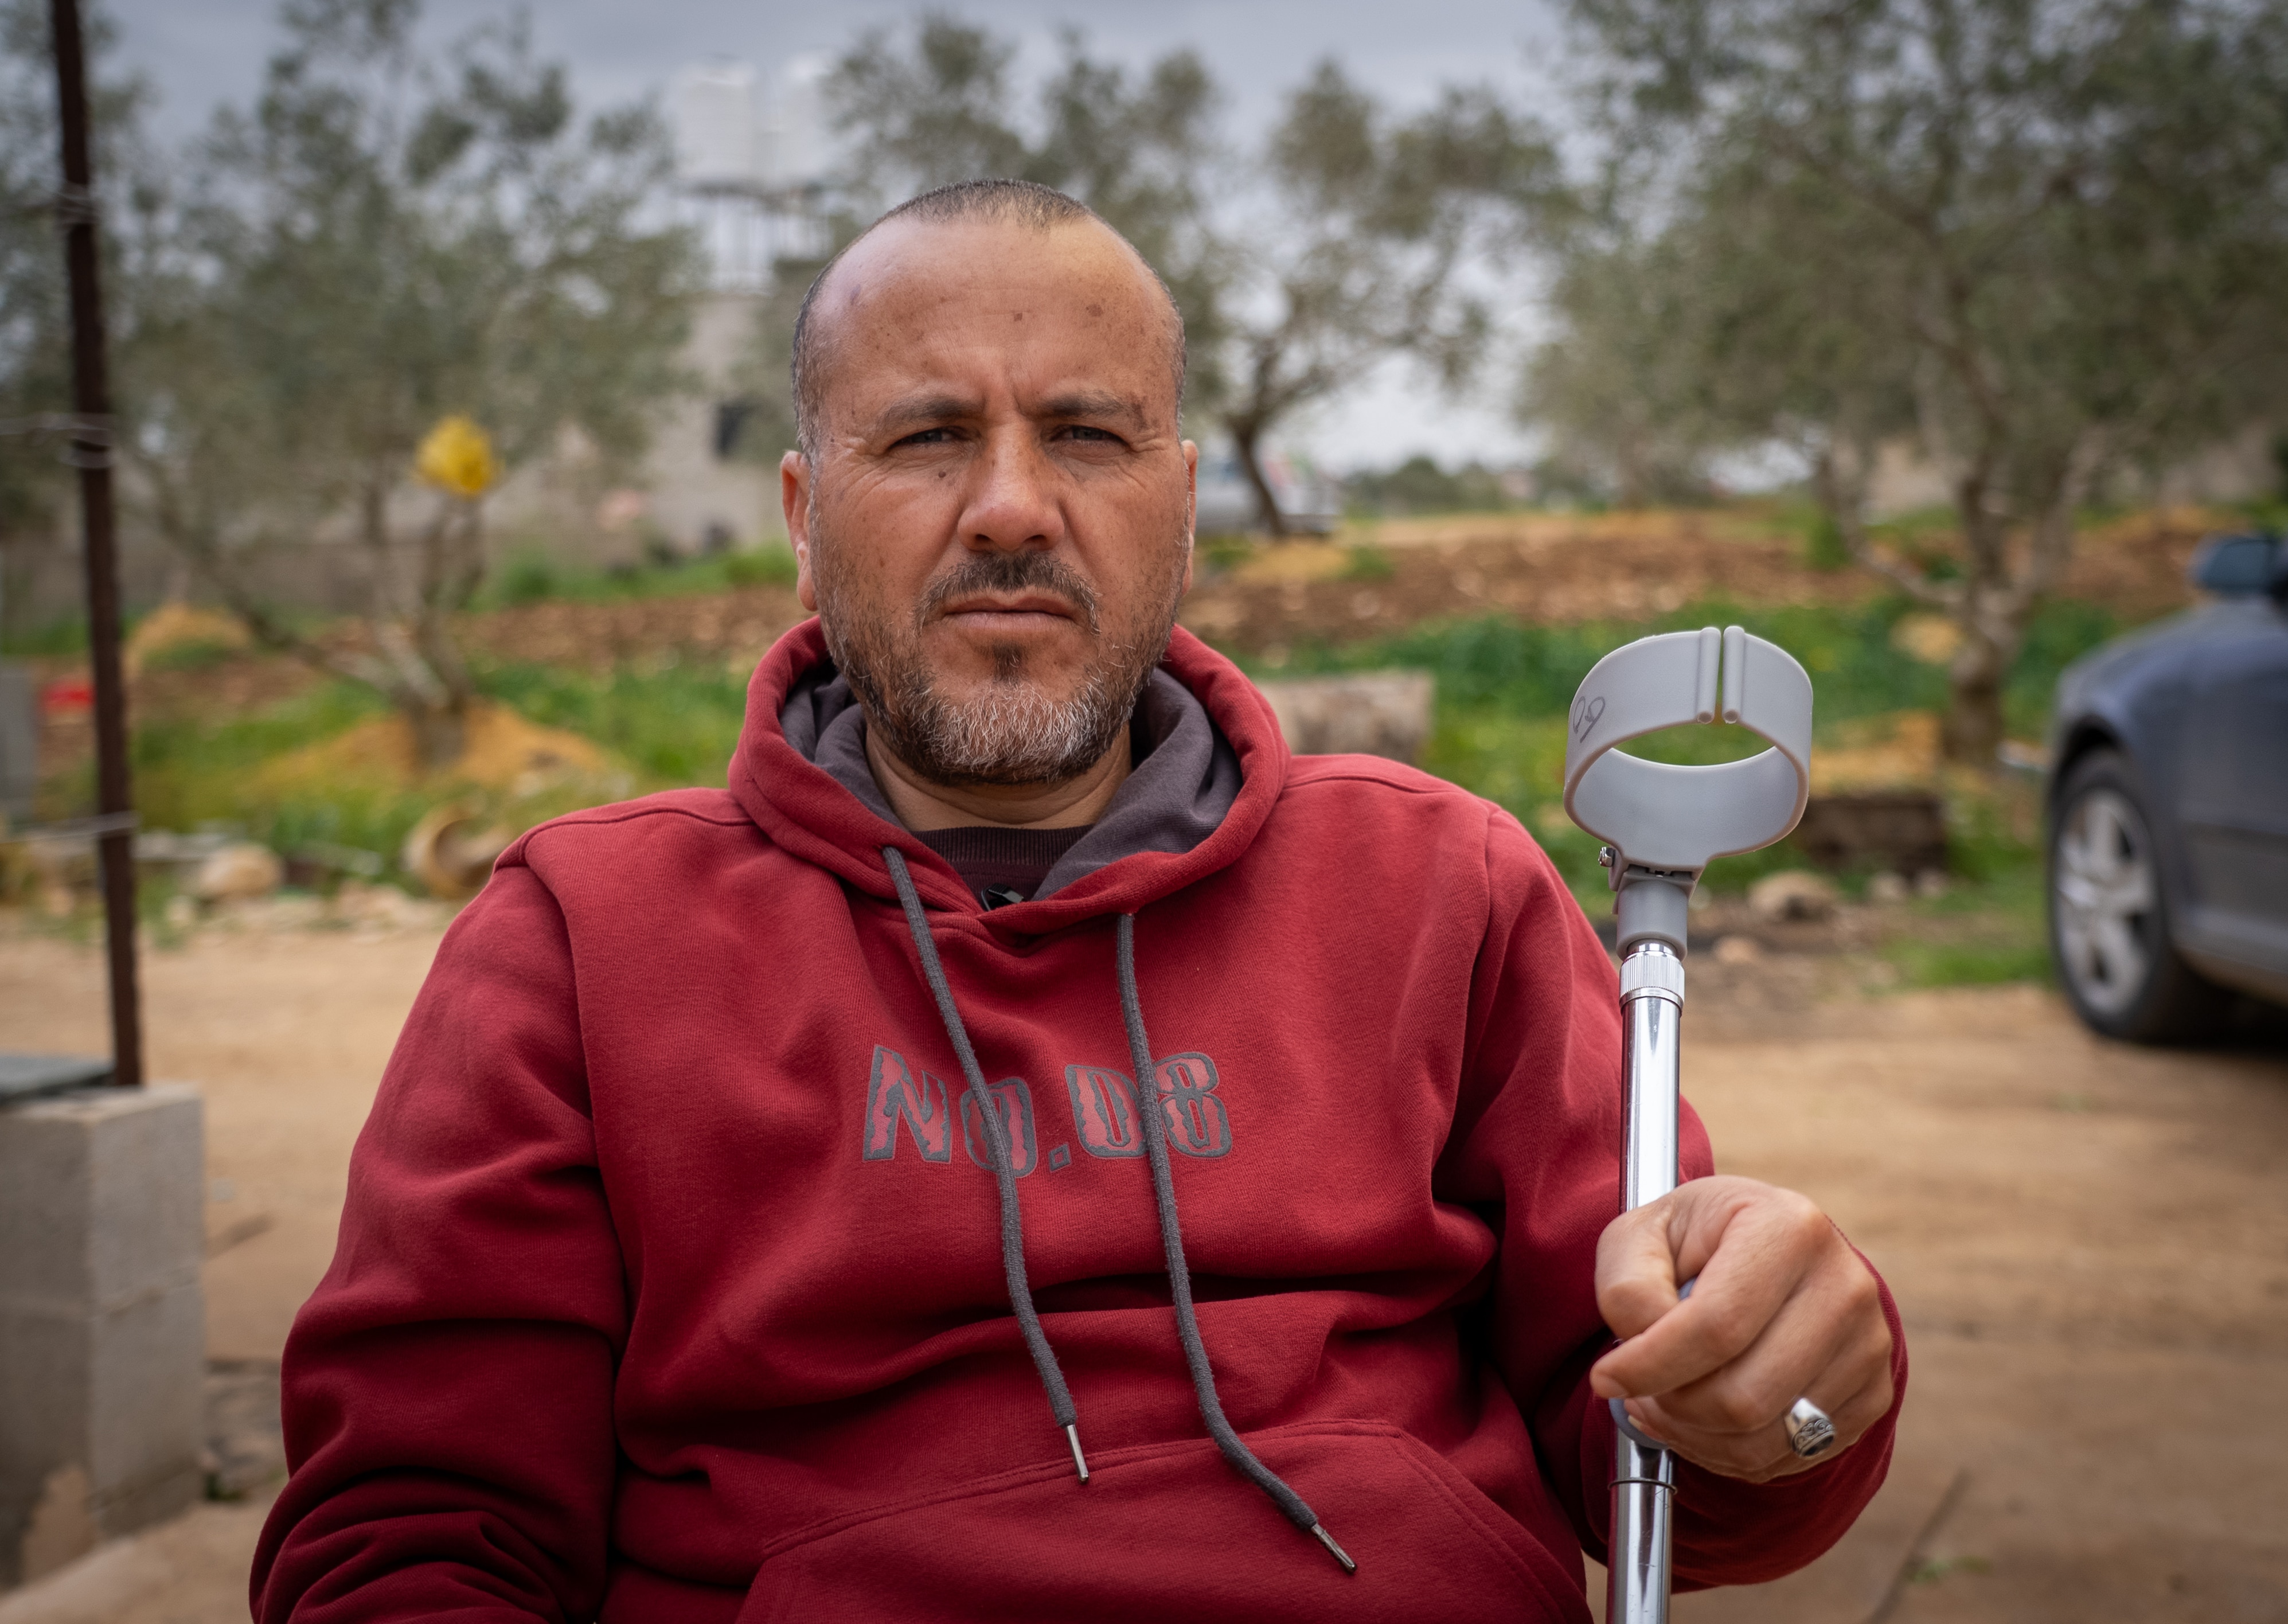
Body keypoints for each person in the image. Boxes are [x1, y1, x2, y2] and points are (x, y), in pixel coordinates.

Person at [253, 179, 1902, 1624]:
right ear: (803, 517)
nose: (1013, 507)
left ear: (1182, 505)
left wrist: (1791, 1382)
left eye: (1089, 434)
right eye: (925, 437)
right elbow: (406, 1539)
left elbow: (1688, 1474)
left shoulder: (1442, 887)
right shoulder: (579, 940)